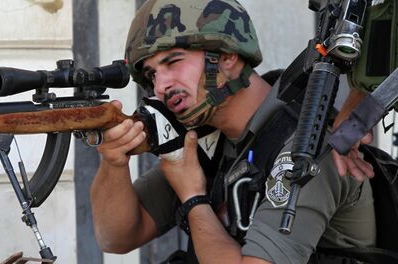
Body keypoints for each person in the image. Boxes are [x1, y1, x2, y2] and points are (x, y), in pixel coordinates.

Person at [90, 0, 377, 263]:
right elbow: (117, 237)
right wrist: (114, 162)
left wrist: (193, 197)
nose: (161, 86)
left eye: (173, 62)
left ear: (227, 57)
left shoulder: (305, 145)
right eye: (152, 74)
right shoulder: (206, 137)